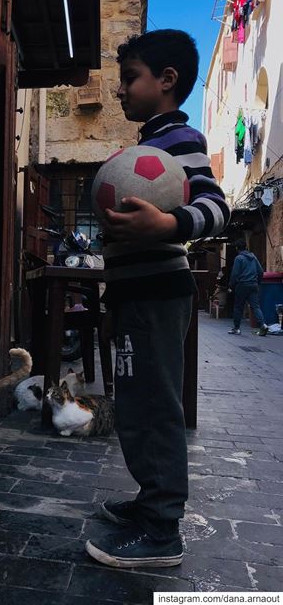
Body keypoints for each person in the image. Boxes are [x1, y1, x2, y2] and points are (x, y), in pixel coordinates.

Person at [85, 30, 230, 569]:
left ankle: (163, 530)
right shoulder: (145, 147)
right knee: (136, 404)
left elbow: (217, 209)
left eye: (129, 79)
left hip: (159, 294)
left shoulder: (181, 141)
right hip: (133, 295)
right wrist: (110, 305)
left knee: (155, 407)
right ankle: (151, 501)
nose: (120, 91)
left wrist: (169, 223)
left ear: (166, 81)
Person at [227, 238, 268, 335]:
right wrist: (257, 282)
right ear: (246, 247)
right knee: (255, 306)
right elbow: (260, 272)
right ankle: (263, 325)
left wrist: (231, 285)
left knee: (238, 307)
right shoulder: (253, 257)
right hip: (253, 285)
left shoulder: (238, 258)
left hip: (242, 285)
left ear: (237, 248)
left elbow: (235, 274)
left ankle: (236, 328)